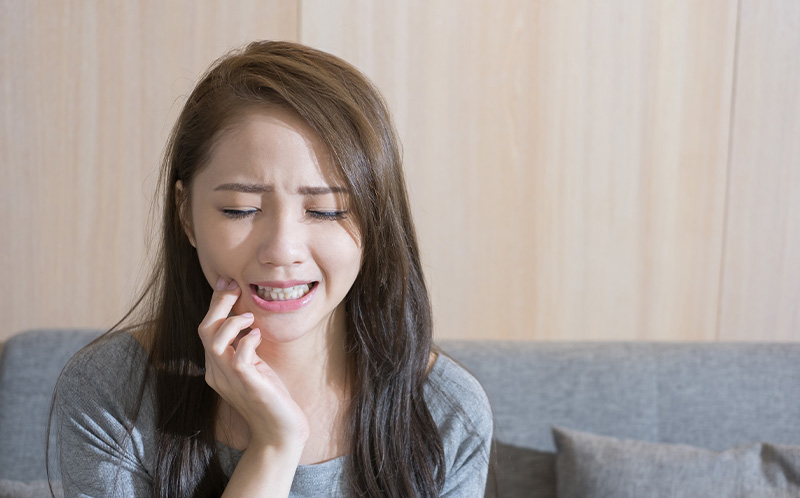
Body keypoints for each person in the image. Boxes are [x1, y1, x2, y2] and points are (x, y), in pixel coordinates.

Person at [52, 40, 492, 497]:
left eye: (325, 211)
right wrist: (273, 448)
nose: (283, 250)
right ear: (186, 215)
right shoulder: (111, 393)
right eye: (241, 209)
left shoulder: (446, 409)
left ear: (376, 222)